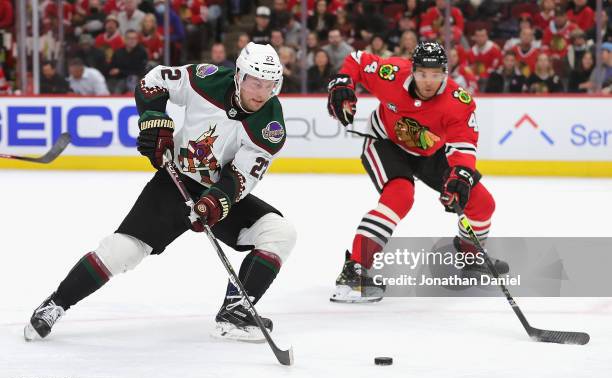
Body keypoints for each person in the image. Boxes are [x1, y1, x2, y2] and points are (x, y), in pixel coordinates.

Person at [24, 43, 296, 343]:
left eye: (269, 85)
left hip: (217, 193)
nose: (261, 92)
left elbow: (241, 176)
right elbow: (153, 81)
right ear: (239, 76)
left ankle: (235, 312)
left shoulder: (271, 124)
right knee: (123, 250)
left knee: (278, 231)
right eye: (255, 83)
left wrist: (214, 203)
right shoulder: (206, 78)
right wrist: (155, 121)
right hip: (174, 181)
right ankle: (56, 303)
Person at [326, 42, 508, 303]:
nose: (429, 81)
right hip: (385, 142)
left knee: (482, 204)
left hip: (430, 151)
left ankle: (470, 256)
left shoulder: (459, 102)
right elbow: (356, 60)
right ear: (412, 70)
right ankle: (354, 271)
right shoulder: (391, 73)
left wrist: (460, 176)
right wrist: (342, 84)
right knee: (399, 196)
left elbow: (463, 145)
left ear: (446, 73)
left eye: (436, 74)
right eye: (423, 73)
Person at [107, 29, 149, 94]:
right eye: (130, 38)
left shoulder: (142, 52)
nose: (132, 40)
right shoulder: (119, 52)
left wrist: (120, 71)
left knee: (132, 79)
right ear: (125, 39)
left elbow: (140, 71)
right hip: (120, 78)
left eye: (134, 38)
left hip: (136, 79)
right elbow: (112, 67)